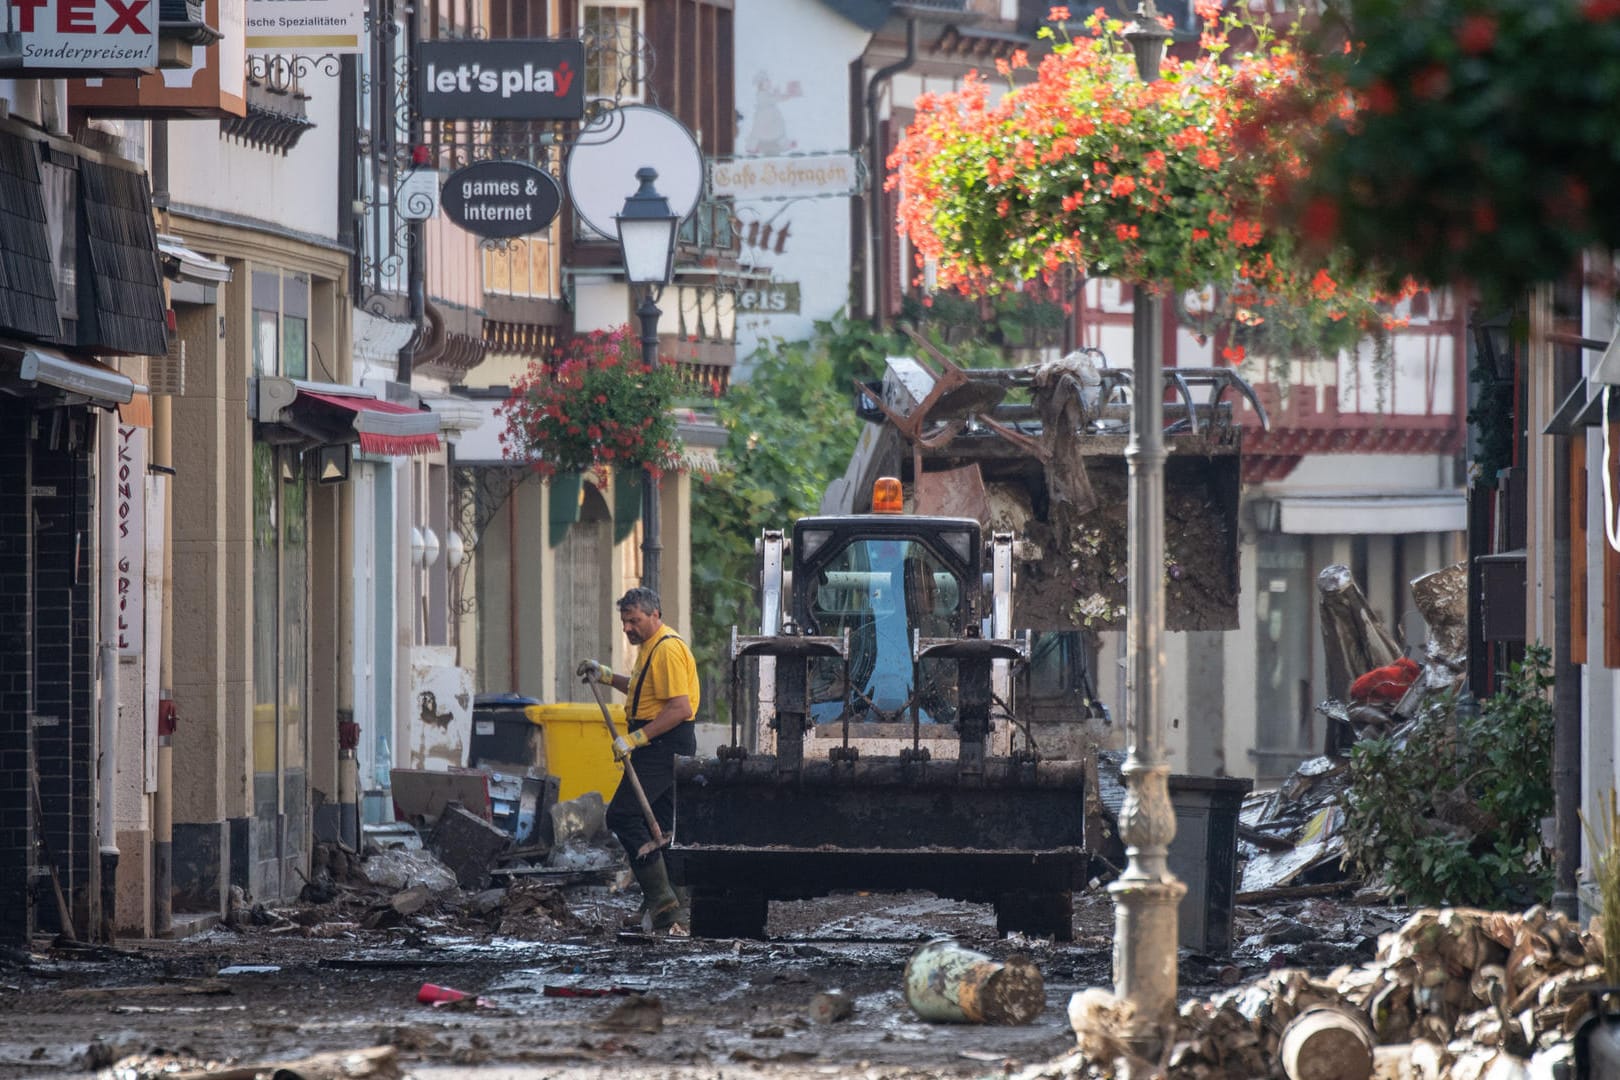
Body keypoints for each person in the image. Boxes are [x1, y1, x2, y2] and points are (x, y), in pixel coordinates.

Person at [576, 587, 700, 932]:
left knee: (622, 814)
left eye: (635, 620)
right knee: (661, 824)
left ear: (655, 615)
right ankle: (675, 909)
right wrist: (605, 675)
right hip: (659, 741)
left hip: (663, 743)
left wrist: (636, 738)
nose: (628, 628)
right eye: (625, 621)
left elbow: (680, 707)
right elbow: (643, 689)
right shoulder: (652, 647)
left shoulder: (668, 650)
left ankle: (661, 899)